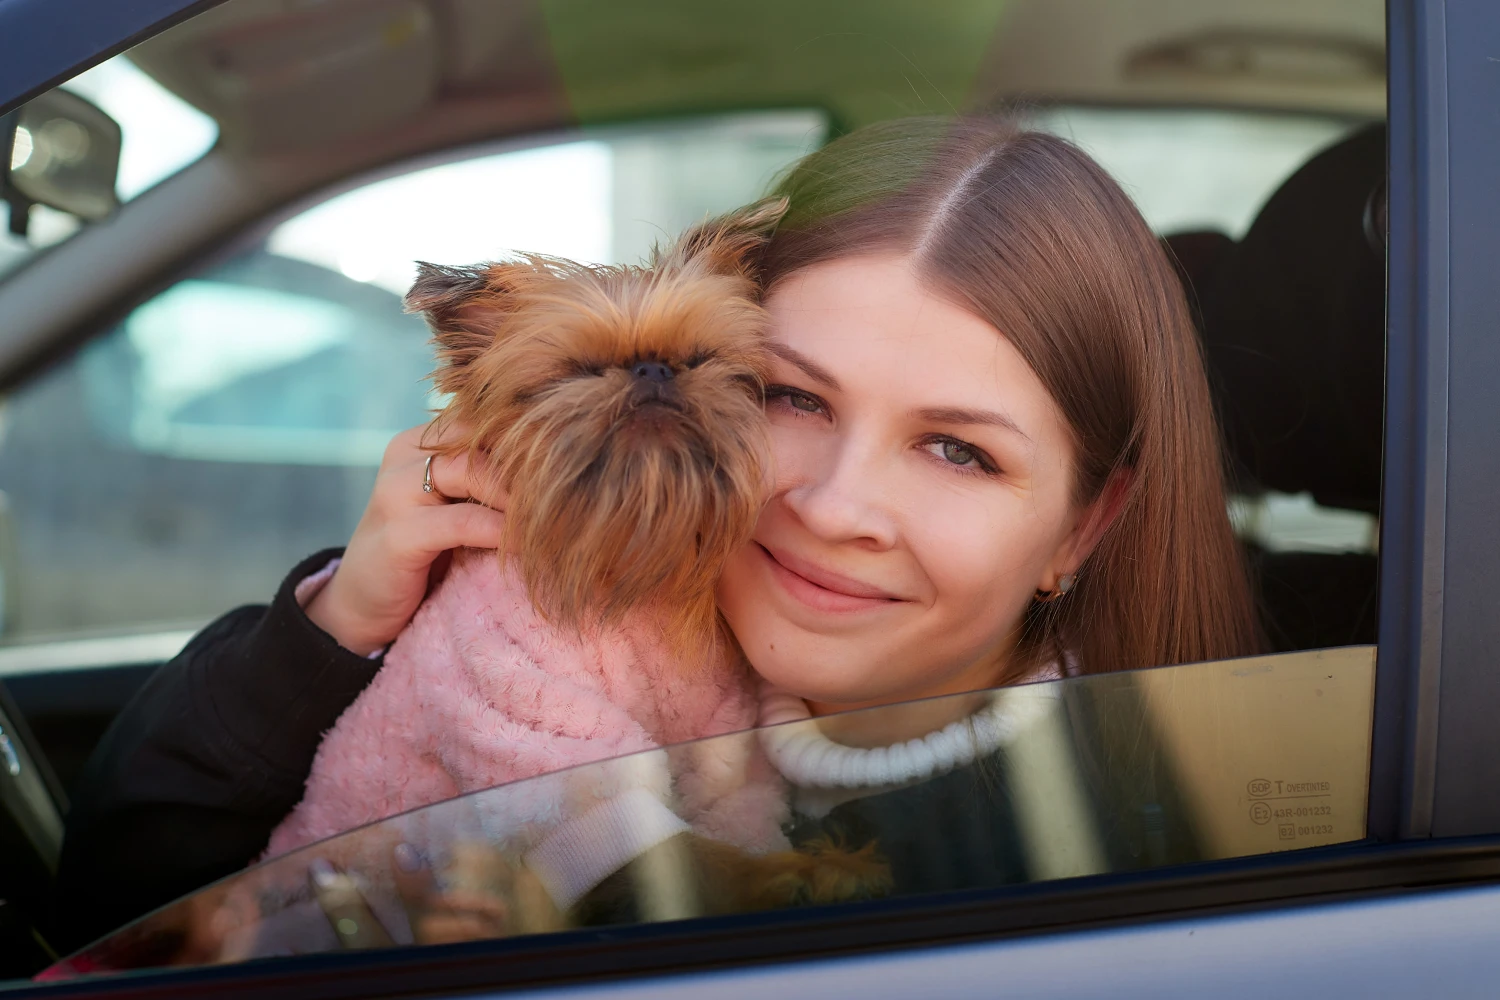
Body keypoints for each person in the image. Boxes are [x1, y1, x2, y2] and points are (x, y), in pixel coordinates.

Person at [51, 116, 1258, 952]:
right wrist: (337, 623)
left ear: (1088, 522)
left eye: (959, 449)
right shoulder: (687, 641)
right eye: (791, 397)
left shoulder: (1107, 863)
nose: (833, 506)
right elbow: (117, 897)